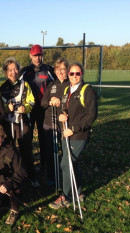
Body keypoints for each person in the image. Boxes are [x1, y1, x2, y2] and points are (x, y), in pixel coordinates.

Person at [49, 62, 97, 209]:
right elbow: (64, 111)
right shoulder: (67, 91)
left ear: (81, 74)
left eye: (77, 73)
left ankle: (65, 196)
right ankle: (79, 192)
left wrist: (74, 128)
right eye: (72, 73)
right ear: (68, 74)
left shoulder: (87, 90)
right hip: (66, 133)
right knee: (72, 163)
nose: (74, 76)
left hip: (79, 134)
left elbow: (91, 115)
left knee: (66, 164)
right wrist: (61, 116)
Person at [0, 57, 38, 187]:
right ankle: (10, 177)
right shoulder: (1, 87)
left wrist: (25, 108)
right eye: (10, 69)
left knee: (26, 149)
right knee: (9, 151)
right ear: (5, 71)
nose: (13, 72)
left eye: (15, 69)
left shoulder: (25, 85)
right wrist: (5, 109)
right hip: (7, 124)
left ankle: (31, 175)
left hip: (22, 121)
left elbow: (31, 101)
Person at [19, 44, 55, 185]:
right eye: (35, 55)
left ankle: (45, 166)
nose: (37, 58)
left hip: (44, 110)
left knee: (44, 138)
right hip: (28, 110)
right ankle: (27, 168)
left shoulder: (49, 70)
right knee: (26, 139)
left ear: (42, 55)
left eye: (39, 55)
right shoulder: (25, 71)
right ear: (30, 56)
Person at [0, 124, 27, 225]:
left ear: (3, 138)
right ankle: (5, 202)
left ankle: (14, 209)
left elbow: (22, 172)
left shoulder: (12, 151)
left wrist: (8, 184)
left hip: (13, 183)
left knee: (13, 191)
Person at [40, 57, 70, 187]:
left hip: (65, 124)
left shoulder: (71, 84)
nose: (60, 72)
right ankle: (52, 177)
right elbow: (42, 103)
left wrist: (61, 104)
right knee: (51, 152)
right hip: (50, 123)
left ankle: (67, 178)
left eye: (63, 69)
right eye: (58, 69)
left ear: (68, 70)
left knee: (66, 153)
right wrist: (50, 100)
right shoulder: (52, 85)